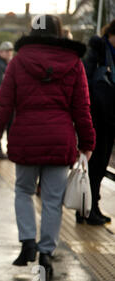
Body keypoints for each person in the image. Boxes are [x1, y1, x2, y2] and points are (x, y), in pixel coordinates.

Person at [0, 15, 95, 281]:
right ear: (59, 33)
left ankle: (27, 243)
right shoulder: (74, 62)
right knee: (52, 200)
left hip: (26, 139)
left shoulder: (19, 60)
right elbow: (82, 108)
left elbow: (4, 104)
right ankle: (46, 253)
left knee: (23, 190)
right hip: (60, 139)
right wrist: (88, 143)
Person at [78, 19, 115, 225]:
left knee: (100, 166)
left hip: (110, 118)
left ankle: (92, 206)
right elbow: (86, 83)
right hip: (96, 117)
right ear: (111, 34)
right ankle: (87, 208)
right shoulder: (98, 50)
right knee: (95, 164)